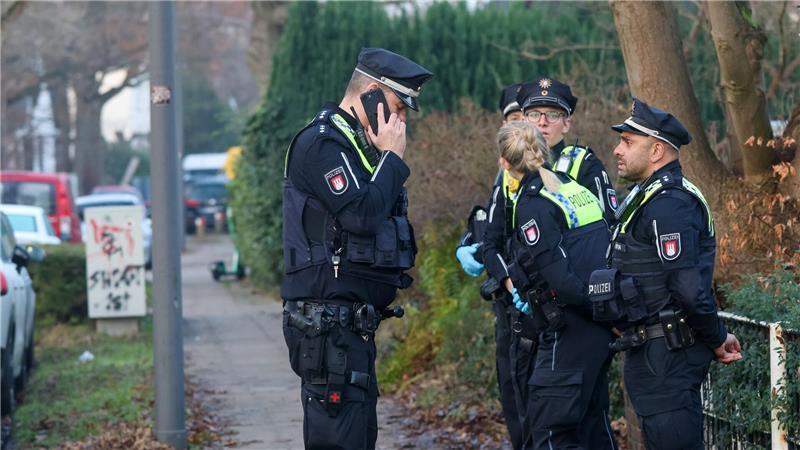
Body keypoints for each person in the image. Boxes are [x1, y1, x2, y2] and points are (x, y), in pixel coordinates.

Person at [281, 47, 432, 450]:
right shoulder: (323, 143)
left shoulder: (356, 146)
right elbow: (361, 216)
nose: (401, 120)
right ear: (371, 93)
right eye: (398, 107)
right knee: (339, 440)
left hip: (350, 327)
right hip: (327, 327)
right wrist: (392, 158)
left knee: (358, 438)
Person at [589, 98, 742, 449]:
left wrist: (717, 337)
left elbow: (687, 287)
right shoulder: (649, 196)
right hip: (654, 353)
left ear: (657, 150)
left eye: (628, 142)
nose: (617, 150)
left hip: (668, 356)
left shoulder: (670, 203)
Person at [495, 121, 617, 450]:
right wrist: (610, 314)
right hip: (598, 323)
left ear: (505, 162)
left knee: (550, 430)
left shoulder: (533, 203)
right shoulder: (571, 187)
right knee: (593, 425)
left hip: (571, 326)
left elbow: (562, 282)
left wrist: (601, 314)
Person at [454, 82, 530, 450]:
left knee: (538, 402)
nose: (516, 125)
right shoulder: (503, 174)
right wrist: (468, 244)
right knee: (512, 393)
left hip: (532, 301)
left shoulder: (552, 171)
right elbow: (490, 225)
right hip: (505, 304)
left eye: (523, 117)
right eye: (510, 118)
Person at [516, 77, 618, 224]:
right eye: (534, 115)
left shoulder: (585, 165)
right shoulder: (512, 165)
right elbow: (495, 233)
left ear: (566, 125)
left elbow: (609, 224)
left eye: (552, 115)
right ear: (523, 122)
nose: (542, 122)